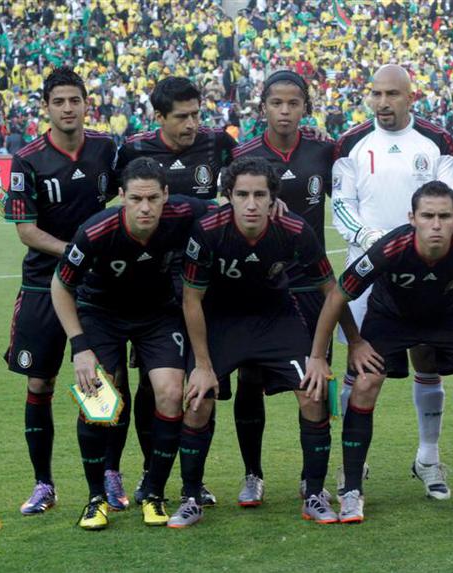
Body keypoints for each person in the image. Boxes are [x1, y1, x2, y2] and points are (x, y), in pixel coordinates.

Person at [173, 156, 366, 527]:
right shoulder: (208, 230)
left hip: (276, 319)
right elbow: (191, 299)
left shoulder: (294, 229)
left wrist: (347, 343)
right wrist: (202, 366)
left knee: (313, 393)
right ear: (228, 196)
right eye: (242, 194)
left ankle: (314, 493)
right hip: (222, 321)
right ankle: (191, 497)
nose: (251, 203)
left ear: (273, 197)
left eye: (259, 195)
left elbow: (331, 291)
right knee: (198, 400)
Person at [304, 181, 453, 523]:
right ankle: (352, 489)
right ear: (412, 218)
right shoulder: (391, 247)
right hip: (392, 317)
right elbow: (338, 294)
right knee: (365, 384)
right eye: (427, 216)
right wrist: (346, 345)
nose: (436, 224)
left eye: (444, 216)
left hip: (449, 316)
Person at [51, 157, 212, 530]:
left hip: (157, 315)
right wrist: (80, 347)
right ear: (121, 196)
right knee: (97, 396)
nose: (145, 207)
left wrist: (275, 205)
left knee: (171, 392)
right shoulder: (95, 230)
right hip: (100, 314)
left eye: (153, 198)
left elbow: (227, 209)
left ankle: (153, 492)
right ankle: (95, 499)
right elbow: (60, 286)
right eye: (136, 198)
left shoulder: (184, 212)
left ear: (166, 195)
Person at [331, 64, 453, 499]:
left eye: (392, 94)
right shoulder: (351, 142)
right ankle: (353, 462)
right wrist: (372, 240)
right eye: (376, 94)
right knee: (360, 366)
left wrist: (418, 244)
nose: (382, 102)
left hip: (425, 269)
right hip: (365, 268)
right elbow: (342, 204)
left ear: (411, 97)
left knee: (427, 358)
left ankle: (428, 457)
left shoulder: (437, 140)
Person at [114, 76, 242, 506]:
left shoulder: (218, 144)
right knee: (153, 385)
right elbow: (115, 201)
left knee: (206, 383)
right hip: (150, 285)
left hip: (206, 283)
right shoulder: (134, 150)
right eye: (182, 116)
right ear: (159, 117)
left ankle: (194, 480)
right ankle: (151, 471)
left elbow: (250, 178)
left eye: (196, 114)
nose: (192, 124)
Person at [3, 67, 118, 516]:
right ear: (46, 108)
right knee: (40, 382)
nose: (68, 108)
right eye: (59, 102)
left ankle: (108, 476)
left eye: (75, 100)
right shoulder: (28, 159)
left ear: (87, 104)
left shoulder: (107, 149)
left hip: (96, 285)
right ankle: (43, 484)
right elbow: (26, 231)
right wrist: (76, 250)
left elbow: (137, 190)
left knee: (101, 384)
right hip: (42, 283)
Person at [229, 70, 335, 506]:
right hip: (260, 287)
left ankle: (315, 475)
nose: (285, 111)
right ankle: (252, 474)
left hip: (310, 285)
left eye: (294, 103)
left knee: (317, 381)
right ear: (263, 108)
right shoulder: (243, 155)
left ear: (305, 107)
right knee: (250, 380)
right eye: (277, 103)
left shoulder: (324, 151)